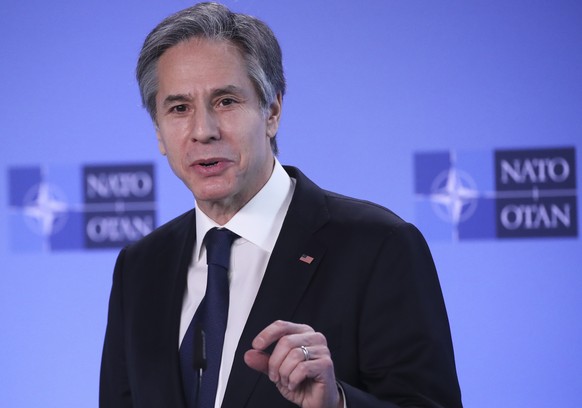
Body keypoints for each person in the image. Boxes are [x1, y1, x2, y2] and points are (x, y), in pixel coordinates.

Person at [99, 2, 463, 407]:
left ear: (271, 111)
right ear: (159, 133)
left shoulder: (379, 246)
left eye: (225, 101)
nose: (203, 131)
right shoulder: (141, 267)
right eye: (179, 108)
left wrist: (337, 403)